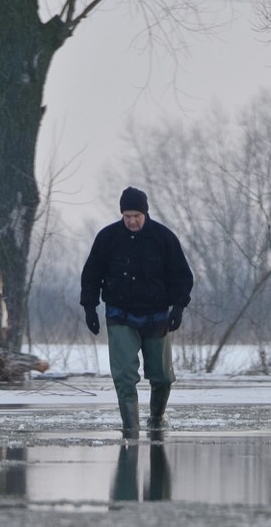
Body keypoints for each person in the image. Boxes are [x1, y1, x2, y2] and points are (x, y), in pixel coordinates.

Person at [81, 186, 194, 439]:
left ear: (146, 213)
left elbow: (182, 277)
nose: (132, 221)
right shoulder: (107, 238)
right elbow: (91, 276)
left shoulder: (164, 238)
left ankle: (156, 417)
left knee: (163, 377)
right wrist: (89, 307)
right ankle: (130, 430)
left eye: (136, 215)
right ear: (122, 214)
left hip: (156, 315)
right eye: (127, 215)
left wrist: (178, 307)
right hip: (120, 315)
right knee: (124, 377)